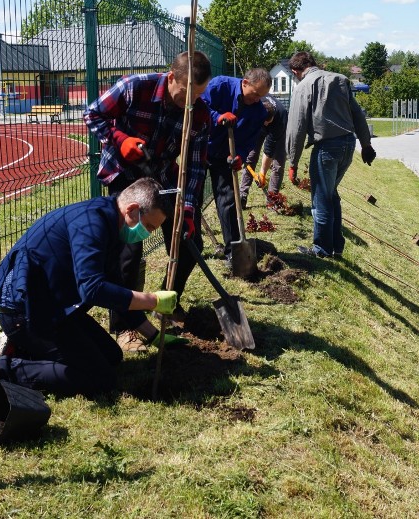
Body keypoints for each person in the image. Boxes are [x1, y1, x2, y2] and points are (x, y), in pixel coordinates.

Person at [0, 178, 186, 409]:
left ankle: (24, 351)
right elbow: (92, 288)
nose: (147, 233)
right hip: (24, 312)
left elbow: (114, 283)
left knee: (112, 356)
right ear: (132, 210)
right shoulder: (91, 224)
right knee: (100, 377)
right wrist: (153, 300)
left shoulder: (111, 222)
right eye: (149, 226)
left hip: (54, 308)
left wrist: (152, 335)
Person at [83, 51, 212, 349]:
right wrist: (120, 139)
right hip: (125, 177)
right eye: (184, 94)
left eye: (197, 95)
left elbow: (194, 168)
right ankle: (124, 326)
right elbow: (93, 113)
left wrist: (188, 210)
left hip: (163, 179)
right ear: (171, 78)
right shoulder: (134, 88)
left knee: (188, 243)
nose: (189, 103)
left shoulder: (200, 114)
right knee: (127, 252)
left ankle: (168, 300)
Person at [285, 51, 376, 259]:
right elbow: (357, 114)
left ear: (295, 71)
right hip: (348, 144)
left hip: (326, 148)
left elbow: (296, 128)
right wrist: (366, 144)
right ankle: (337, 247)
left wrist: (293, 162)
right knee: (331, 195)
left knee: (321, 199)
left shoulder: (303, 87)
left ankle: (322, 250)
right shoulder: (340, 80)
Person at [200, 68, 271, 266]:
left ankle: (233, 249)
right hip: (200, 146)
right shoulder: (220, 86)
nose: (257, 99)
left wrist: (239, 155)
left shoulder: (259, 111)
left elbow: (250, 140)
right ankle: (192, 245)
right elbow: (198, 105)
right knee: (192, 198)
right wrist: (217, 116)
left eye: (262, 96)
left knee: (228, 200)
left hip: (225, 155)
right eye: (256, 94)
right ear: (245, 82)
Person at [238, 95, 288, 203]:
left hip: (278, 131)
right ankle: (242, 194)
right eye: (265, 122)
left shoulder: (281, 116)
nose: (266, 124)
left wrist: (262, 173)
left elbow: (269, 149)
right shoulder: (254, 105)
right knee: (250, 157)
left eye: (268, 122)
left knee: (278, 163)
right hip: (257, 127)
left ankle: (272, 199)